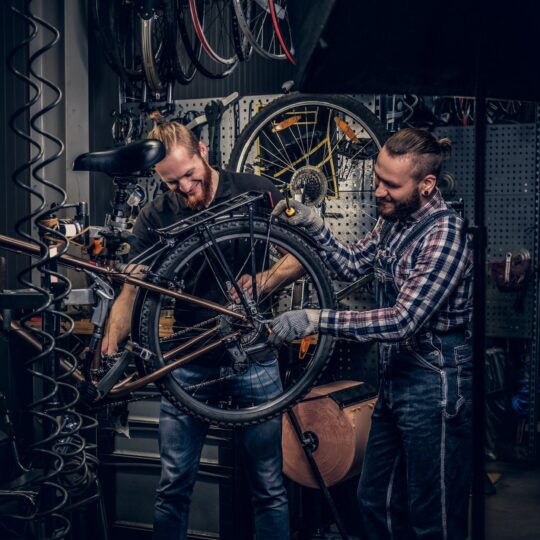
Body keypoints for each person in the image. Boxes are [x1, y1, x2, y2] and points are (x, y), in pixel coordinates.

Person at [270, 128, 473, 540]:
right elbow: (350, 264)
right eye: (377, 178)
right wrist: (314, 226)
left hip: (435, 386)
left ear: (427, 185)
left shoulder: (444, 235)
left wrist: (315, 319)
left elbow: (401, 320)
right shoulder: (394, 221)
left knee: (432, 517)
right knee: (374, 499)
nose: (377, 191)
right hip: (396, 381)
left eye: (391, 185)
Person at [102, 116, 291, 540]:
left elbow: (303, 256)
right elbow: (132, 288)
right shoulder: (155, 215)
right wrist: (112, 339)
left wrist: (263, 281)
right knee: (173, 488)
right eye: (173, 184)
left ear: (203, 152)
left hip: (255, 357)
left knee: (269, 488)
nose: (186, 189)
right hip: (189, 362)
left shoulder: (256, 191)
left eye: (189, 175)